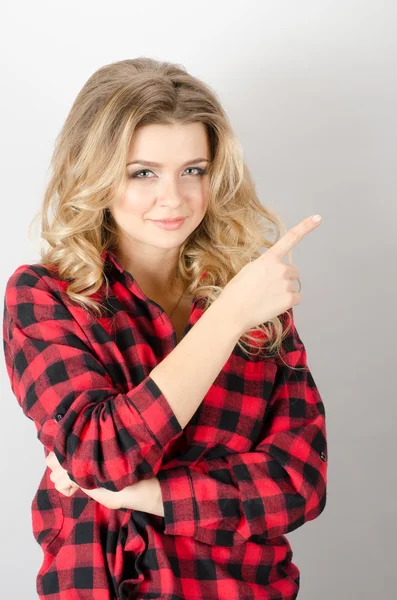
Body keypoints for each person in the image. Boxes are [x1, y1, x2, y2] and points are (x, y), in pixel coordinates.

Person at [2, 57, 327, 600]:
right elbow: (99, 455)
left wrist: (143, 493)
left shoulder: (255, 301)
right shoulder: (45, 297)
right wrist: (227, 318)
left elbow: (298, 483)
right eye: (142, 172)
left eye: (193, 170)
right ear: (96, 175)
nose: (173, 198)